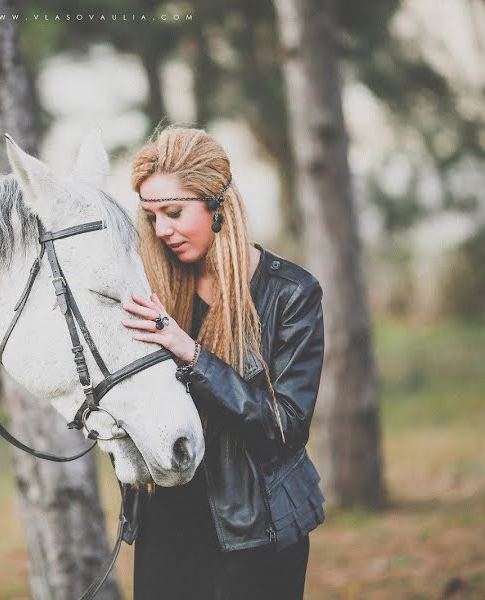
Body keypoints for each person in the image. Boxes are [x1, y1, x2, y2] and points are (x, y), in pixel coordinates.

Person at [120, 126, 326, 600]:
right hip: (165, 521)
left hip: (256, 528)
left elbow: (285, 425)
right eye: (152, 217)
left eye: (174, 212)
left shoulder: (291, 294)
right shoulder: (154, 293)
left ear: (217, 207)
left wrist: (189, 351)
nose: (162, 230)